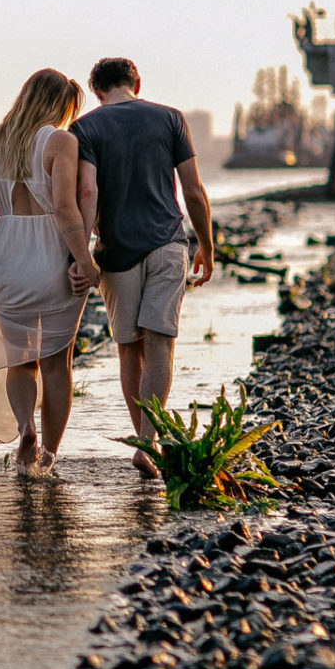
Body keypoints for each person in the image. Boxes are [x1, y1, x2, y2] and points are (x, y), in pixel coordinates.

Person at [0, 69, 98, 476]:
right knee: (58, 363)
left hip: (9, 258)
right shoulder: (61, 141)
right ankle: (49, 455)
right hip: (52, 257)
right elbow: (64, 207)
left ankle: (26, 428)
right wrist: (83, 260)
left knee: (20, 360)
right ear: (60, 105)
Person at [68, 57, 213, 475]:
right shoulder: (171, 119)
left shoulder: (86, 127)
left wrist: (81, 251)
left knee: (129, 349)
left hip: (116, 252)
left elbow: (88, 191)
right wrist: (207, 246)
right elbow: (194, 191)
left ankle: (143, 444)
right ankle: (147, 443)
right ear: (136, 82)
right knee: (161, 343)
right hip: (167, 244)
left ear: (96, 91)